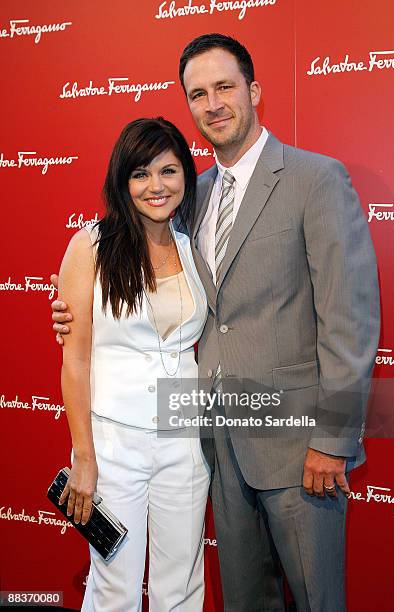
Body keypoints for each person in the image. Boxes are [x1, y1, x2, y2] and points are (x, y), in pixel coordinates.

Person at [52, 34, 380, 612]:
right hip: (216, 448)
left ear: (253, 90)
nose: (213, 103)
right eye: (198, 93)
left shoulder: (315, 179)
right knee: (239, 598)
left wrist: (333, 439)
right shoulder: (192, 198)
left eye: (225, 87)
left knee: (314, 598)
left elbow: (349, 324)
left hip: (297, 446)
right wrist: (76, 315)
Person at [56, 117, 210, 612]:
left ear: (185, 174)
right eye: (141, 174)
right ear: (123, 180)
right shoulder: (91, 246)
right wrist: (84, 455)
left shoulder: (196, 246)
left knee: (181, 585)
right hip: (113, 444)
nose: (156, 186)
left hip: (185, 440)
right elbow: (75, 361)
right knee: (113, 586)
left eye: (168, 171)